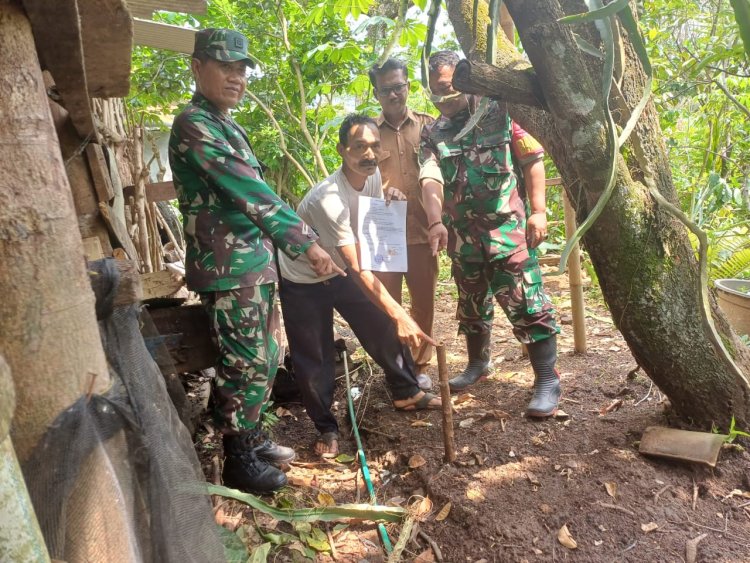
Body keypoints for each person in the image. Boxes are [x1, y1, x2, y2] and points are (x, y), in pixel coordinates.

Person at [169, 28, 344, 493]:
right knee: (243, 362)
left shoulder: (226, 124)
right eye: (225, 66)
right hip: (228, 267)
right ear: (196, 66)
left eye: (242, 69)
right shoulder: (194, 123)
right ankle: (237, 457)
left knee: (266, 358)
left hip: (253, 265)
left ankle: (252, 434)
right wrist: (305, 241)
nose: (236, 77)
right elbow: (250, 191)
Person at [278, 113, 442, 457]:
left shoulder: (372, 173)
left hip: (339, 268)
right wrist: (400, 312)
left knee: (380, 324)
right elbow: (358, 268)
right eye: (358, 147)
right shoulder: (327, 199)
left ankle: (405, 390)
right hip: (304, 278)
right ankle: (326, 427)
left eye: (373, 146)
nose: (368, 154)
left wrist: (389, 194)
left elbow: (369, 206)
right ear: (341, 150)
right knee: (316, 355)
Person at [419, 51, 562, 418]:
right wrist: (436, 220)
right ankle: (477, 365)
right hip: (463, 238)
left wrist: (540, 212)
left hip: (506, 231)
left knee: (527, 302)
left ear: (464, 82)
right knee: (471, 305)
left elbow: (532, 160)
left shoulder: (500, 112)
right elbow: (431, 177)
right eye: (436, 89)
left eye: (449, 87)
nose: (443, 96)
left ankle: (547, 379)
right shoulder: (434, 132)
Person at [368, 58, 437, 391]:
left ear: (408, 85)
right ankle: (396, 367)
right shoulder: (366, 133)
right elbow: (355, 177)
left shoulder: (429, 126)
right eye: (386, 89)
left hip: (424, 233)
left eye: (399, 86)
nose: (394, 94)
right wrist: (382, 191)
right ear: (376, 92)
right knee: (386, 305)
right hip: (385, 235)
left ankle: (419, 365)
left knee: (424, 303)